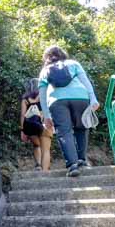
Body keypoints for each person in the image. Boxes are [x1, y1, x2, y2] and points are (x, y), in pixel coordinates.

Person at [38, 45, 99, 177]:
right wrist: (93, 99)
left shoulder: (45, 70)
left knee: (64, 132)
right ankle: (82, 160)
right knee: (81, 128)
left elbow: (42, 95)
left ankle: (72, 165)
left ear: (46, 58)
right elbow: (86, 82)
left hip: (57, 101)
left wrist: (47, 116)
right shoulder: (73, 63)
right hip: (80, 97)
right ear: (63, 54)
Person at [19, 78, 52, 171]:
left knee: (36, 145)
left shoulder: (25, 99)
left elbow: (22, 115)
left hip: (29, 125)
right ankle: (45, 167)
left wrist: (22, 130)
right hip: (42, 124)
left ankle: (38, 165)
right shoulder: (44, 96)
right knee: (45, 147)